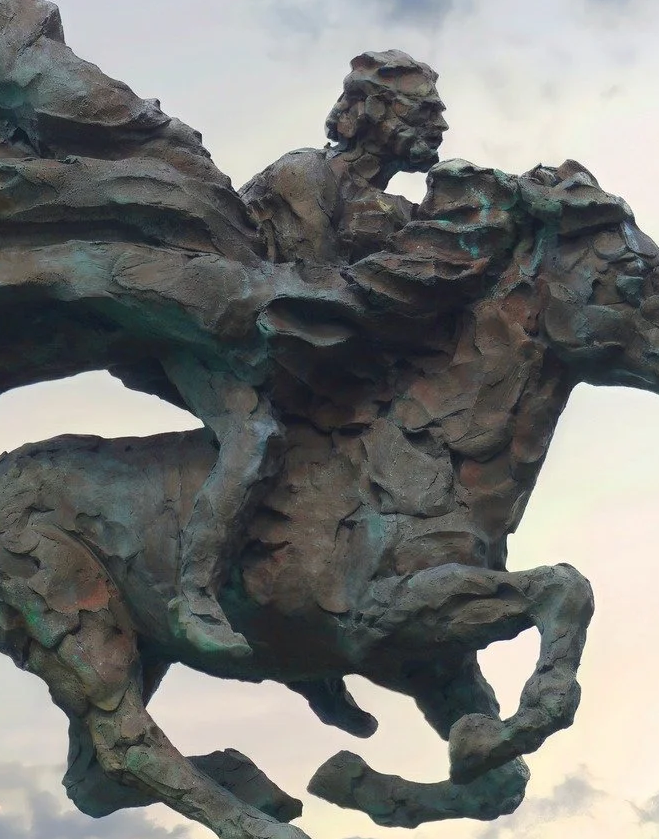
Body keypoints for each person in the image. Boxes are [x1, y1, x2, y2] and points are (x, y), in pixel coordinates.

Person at [163, 51, 448, 658]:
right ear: (373, 114)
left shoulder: (399, 212)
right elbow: (315, 286)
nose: (441, 125)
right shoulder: (305, 176)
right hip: (223, 341)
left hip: (309, 354)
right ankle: (195, 594)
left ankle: (312, 643)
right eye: (424, 111)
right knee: (257, 437)